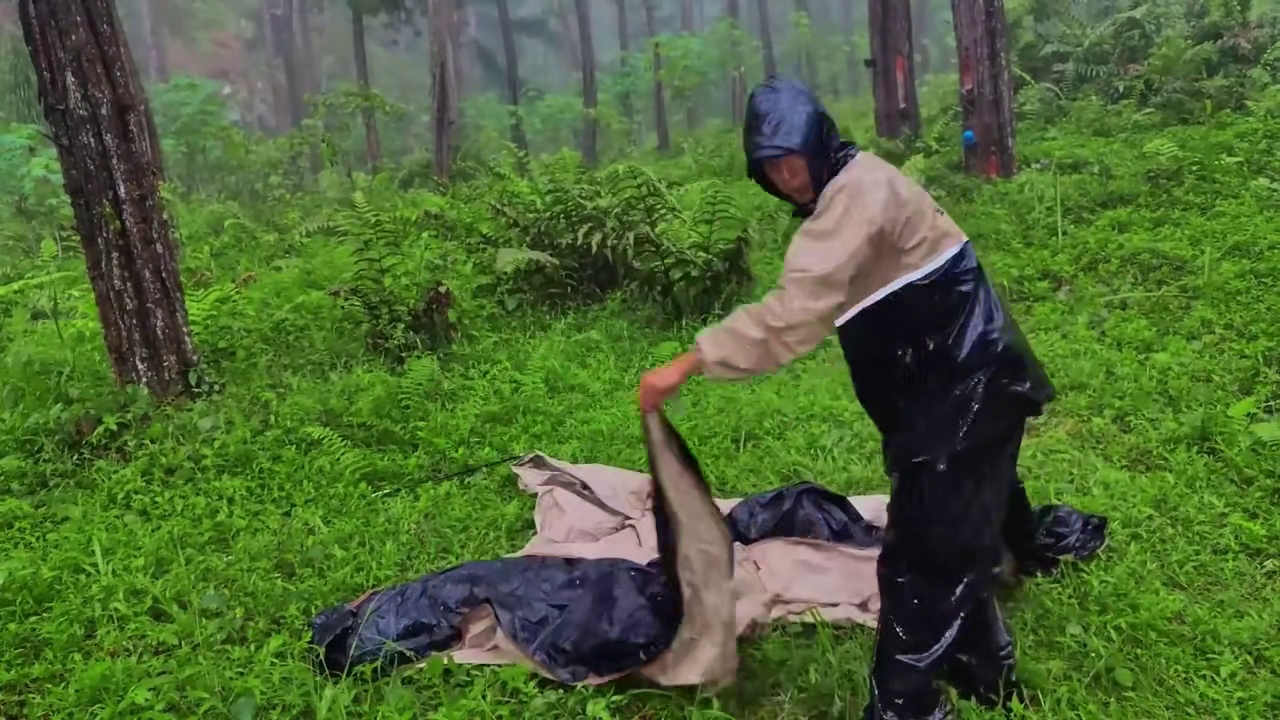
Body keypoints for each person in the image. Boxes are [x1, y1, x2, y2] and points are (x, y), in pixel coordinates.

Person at [637, 77, 1055, 719]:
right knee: (955, 539)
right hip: (954, 388)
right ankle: (986, 675)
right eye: (771, 168)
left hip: (963, 388)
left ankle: (905, 710)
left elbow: (789, 315)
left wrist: (687, 364)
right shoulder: (849, 185)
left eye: (791, 159)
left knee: (921, 561)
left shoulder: (854, 197)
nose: (787, 178)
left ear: (817, 143)